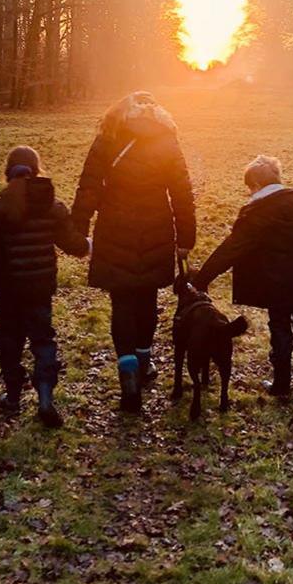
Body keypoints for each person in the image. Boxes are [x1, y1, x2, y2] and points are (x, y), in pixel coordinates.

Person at [72, 92, 196, 413]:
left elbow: (89, 186)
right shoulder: (167, 141)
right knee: (147, 299)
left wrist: (79, 228)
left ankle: (128, 374)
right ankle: (144, 360)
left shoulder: (108, 138)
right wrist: (186, 237)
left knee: (122, 302)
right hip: (156, 231)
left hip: (115, 228)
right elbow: (182, 192)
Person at [192, 155, 293, 408]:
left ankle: (281, 383)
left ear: (255, 184)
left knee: (280, 328)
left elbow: (231, 250)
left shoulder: (257, 214)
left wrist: (202, 278)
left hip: (277, 284)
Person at [0, 144, 89, 428]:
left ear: (7, 171)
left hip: (9, 290)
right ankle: (46, 398)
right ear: (37, 170)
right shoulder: (52, 205)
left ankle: (13, 396)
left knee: (9, 341)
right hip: (40, 287)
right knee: (43, 339)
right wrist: (87, 245)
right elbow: (73, 244)